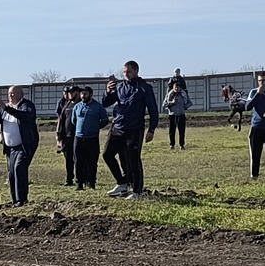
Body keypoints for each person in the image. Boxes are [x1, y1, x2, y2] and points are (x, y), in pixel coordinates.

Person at [103, 61, 159, 198]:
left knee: (133, 159)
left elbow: (153, 111)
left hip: (134, 129)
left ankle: (137, 191)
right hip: (118, 127)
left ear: (136, 71)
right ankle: (122, 183)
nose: (125, 74)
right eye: (124, 72)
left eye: (128, 71)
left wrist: (151, 130)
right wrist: (108, 92)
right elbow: (105, 103)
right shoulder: (120, 87)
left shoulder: (145, 88)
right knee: (107, 154)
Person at [0, 85, 38, 206]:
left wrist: (6, 108)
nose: (10, 96)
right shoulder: (7, 108)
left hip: (25, 145)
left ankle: (22, 199)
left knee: (19, 168)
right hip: (10, 148)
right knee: (11, 173)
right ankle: (15, 199)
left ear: (21, 94)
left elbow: (25, 116)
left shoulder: (27, 106)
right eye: (9, 94)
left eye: (13, 94)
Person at [70, 85, 106, 187]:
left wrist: (94, 128)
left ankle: (91, 182)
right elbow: (74, 121)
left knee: (92, 161)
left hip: (92, 138)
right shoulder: (77, 107)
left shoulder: (98, 107)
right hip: (79, 138)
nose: (83, 95)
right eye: (81, 93)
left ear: (90, 94)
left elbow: (105, 120)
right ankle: (79, 183)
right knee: (78, 161)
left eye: (85, 93)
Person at [54, 87, 78, 185]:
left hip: (77, 136)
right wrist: (59, 135)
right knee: (68, 159)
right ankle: (69, 179)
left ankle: (80, 179)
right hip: (67, 136)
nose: (69, 94)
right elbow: (61, 120)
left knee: (78, 158)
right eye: (68, 92)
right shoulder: (65, 105)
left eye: (72, 92)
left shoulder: (80, 104)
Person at [165, 77, 191, 148]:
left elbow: (190, 103)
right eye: (175, 87)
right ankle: (172, 145)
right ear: (173, 87)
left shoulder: (183, 95)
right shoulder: (169, 95)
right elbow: (164, 104)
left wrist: (184, 107)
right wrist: (171, 103)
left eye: (178, 87)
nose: (176, 89)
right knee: (171, 132)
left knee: (182, 131)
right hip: (172, 115)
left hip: (181, 115)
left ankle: (182, 145)